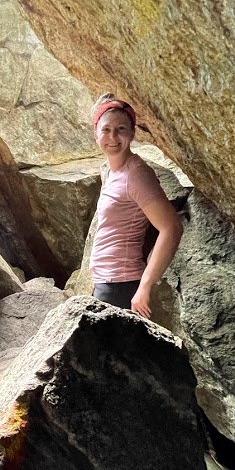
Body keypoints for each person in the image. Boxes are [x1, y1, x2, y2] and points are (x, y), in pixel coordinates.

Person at [90, 94, 182, 319]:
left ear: (132, 133)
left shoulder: (136, 175)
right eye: (106, 130)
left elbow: (171, 228)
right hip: (106, 282)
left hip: (122, 286)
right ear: (96, 133)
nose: (113, 137)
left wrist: (145, 286)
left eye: (121, 129)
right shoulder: (112, 171)